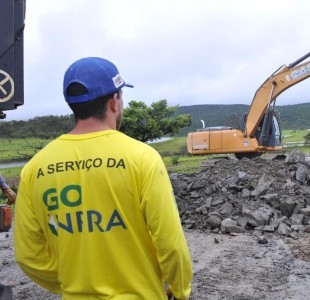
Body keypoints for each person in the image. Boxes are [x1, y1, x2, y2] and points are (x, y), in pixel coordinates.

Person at [14, 57, 192, 299]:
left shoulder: (35, 168)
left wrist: (71, 282)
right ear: (114, 101)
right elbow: (170, 243)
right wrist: (180, 289)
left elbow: (28, 255)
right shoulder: (142, 158)